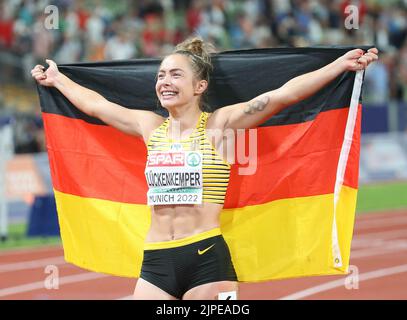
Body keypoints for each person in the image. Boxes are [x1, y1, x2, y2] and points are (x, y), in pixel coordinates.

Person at [31, 37, 378, 300]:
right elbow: (97, 106)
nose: (165, 81)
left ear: (199, 87)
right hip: (154, 262)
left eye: (176, 74)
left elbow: (282, 96)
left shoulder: (220, 126)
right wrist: (57, 80)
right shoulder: (149, 126)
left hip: (207, 260)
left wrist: (339, 66)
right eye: (161, 75)